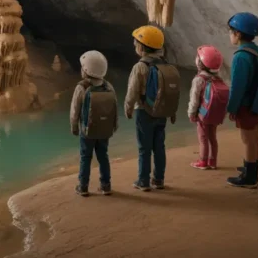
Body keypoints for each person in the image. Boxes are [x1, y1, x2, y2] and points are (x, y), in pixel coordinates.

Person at [124, 25, 180, 192]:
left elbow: (132, 91)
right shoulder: (166, 66)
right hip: (162, 112)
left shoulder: (140, 67)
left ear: (141, 47)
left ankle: (143, 181)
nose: (135, 47)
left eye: (136, 44)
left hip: (144, 111)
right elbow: (173, 91)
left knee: (144, 148)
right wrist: (172, 112)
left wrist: (128, 108)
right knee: (159, 146)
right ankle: (159, 179)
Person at [70, 50, 118, 197]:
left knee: (86, 157)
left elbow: (75, 110)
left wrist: (74, 127)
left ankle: (83, 186)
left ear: (85, 70)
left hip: (87, 130)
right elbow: (114, 108)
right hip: (104, 130)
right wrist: (114, 126)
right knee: (103, 156)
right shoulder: (108, 86)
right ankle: (106, 185)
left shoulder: (82, 87)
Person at [225, 12, 258, 188]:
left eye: (231, 31)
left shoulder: (241, 56)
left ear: (238, 34)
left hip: (246, 105)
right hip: (257, 102)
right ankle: (252, 167)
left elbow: (238, 87)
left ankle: (250, 178)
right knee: (254, 137)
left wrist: (232, 108)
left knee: (247, 140)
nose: (230, 34)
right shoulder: (256, 50)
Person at [188, 45, 228, 170]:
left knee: (203, 138)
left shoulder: (199, 79)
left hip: (203, 114)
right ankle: (213, 161)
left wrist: (192, 113)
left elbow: (194, 99)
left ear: (201, 62)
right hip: (214, 114)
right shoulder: (218, 79)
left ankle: (203, 161)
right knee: (213, 138)